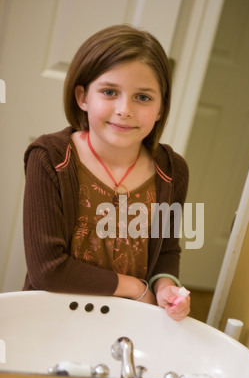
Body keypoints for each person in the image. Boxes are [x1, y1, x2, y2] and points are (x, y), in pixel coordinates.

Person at [23, 24, 190, 321]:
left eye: (143, 97)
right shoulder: (50, 158)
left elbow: (166, 250)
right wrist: (132, 287)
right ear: (83, 97)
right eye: (110, 92)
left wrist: (166, 287)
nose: (125, 109)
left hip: (129, 321)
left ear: (162, 107)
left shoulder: (172, 171)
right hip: (50, 318)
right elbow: (48, 269)